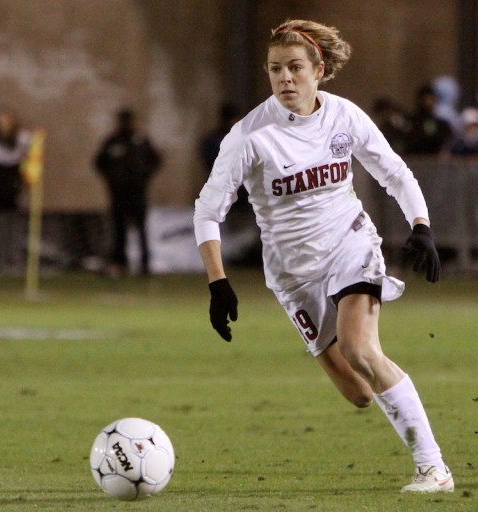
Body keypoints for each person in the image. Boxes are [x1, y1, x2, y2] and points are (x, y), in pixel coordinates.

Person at [194, 19, 453, 494]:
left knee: (361, 349)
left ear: (319, 70)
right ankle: (396, 402)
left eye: (295, 68)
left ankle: (432, 466)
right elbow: (207, 212)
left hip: (349, 245)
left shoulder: (344, 117)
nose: (285, 79)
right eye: (275, 70)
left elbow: (394, 172)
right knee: (357, 392)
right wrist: (218, 283)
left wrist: (422, 226)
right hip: (293, 275)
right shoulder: (249, 136)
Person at [94, 108, 162, 277]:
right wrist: (112, 179)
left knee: (141, 229)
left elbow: (155, 160)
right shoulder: (112, 141)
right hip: (118, 194)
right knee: (119, 231)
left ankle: (145, 265)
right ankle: (120, 264)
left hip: (138, 193)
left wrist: (144, 177)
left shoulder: (140, 140)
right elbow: (99, 162)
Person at [0, 107, 32, 213]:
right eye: (0, 122)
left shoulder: (23, 141)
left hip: (14, 189)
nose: (3, 125)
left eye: (6, 121)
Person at [406, 84, 453, 155]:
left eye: (433, 99)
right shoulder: (412, 122)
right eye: (428, 99)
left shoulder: (441, 124)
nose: (430, 103)